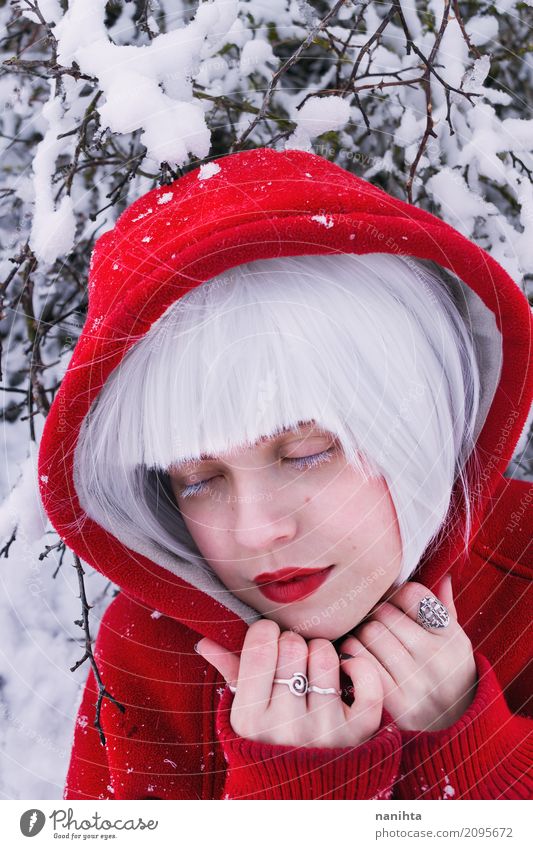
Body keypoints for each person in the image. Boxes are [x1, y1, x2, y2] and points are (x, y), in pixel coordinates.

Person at [38, 147, 533, 800]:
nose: (256, 528)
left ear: (410, 419)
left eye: (303, 453)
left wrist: (470, 753)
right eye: (199, 479)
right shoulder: (151, 653)